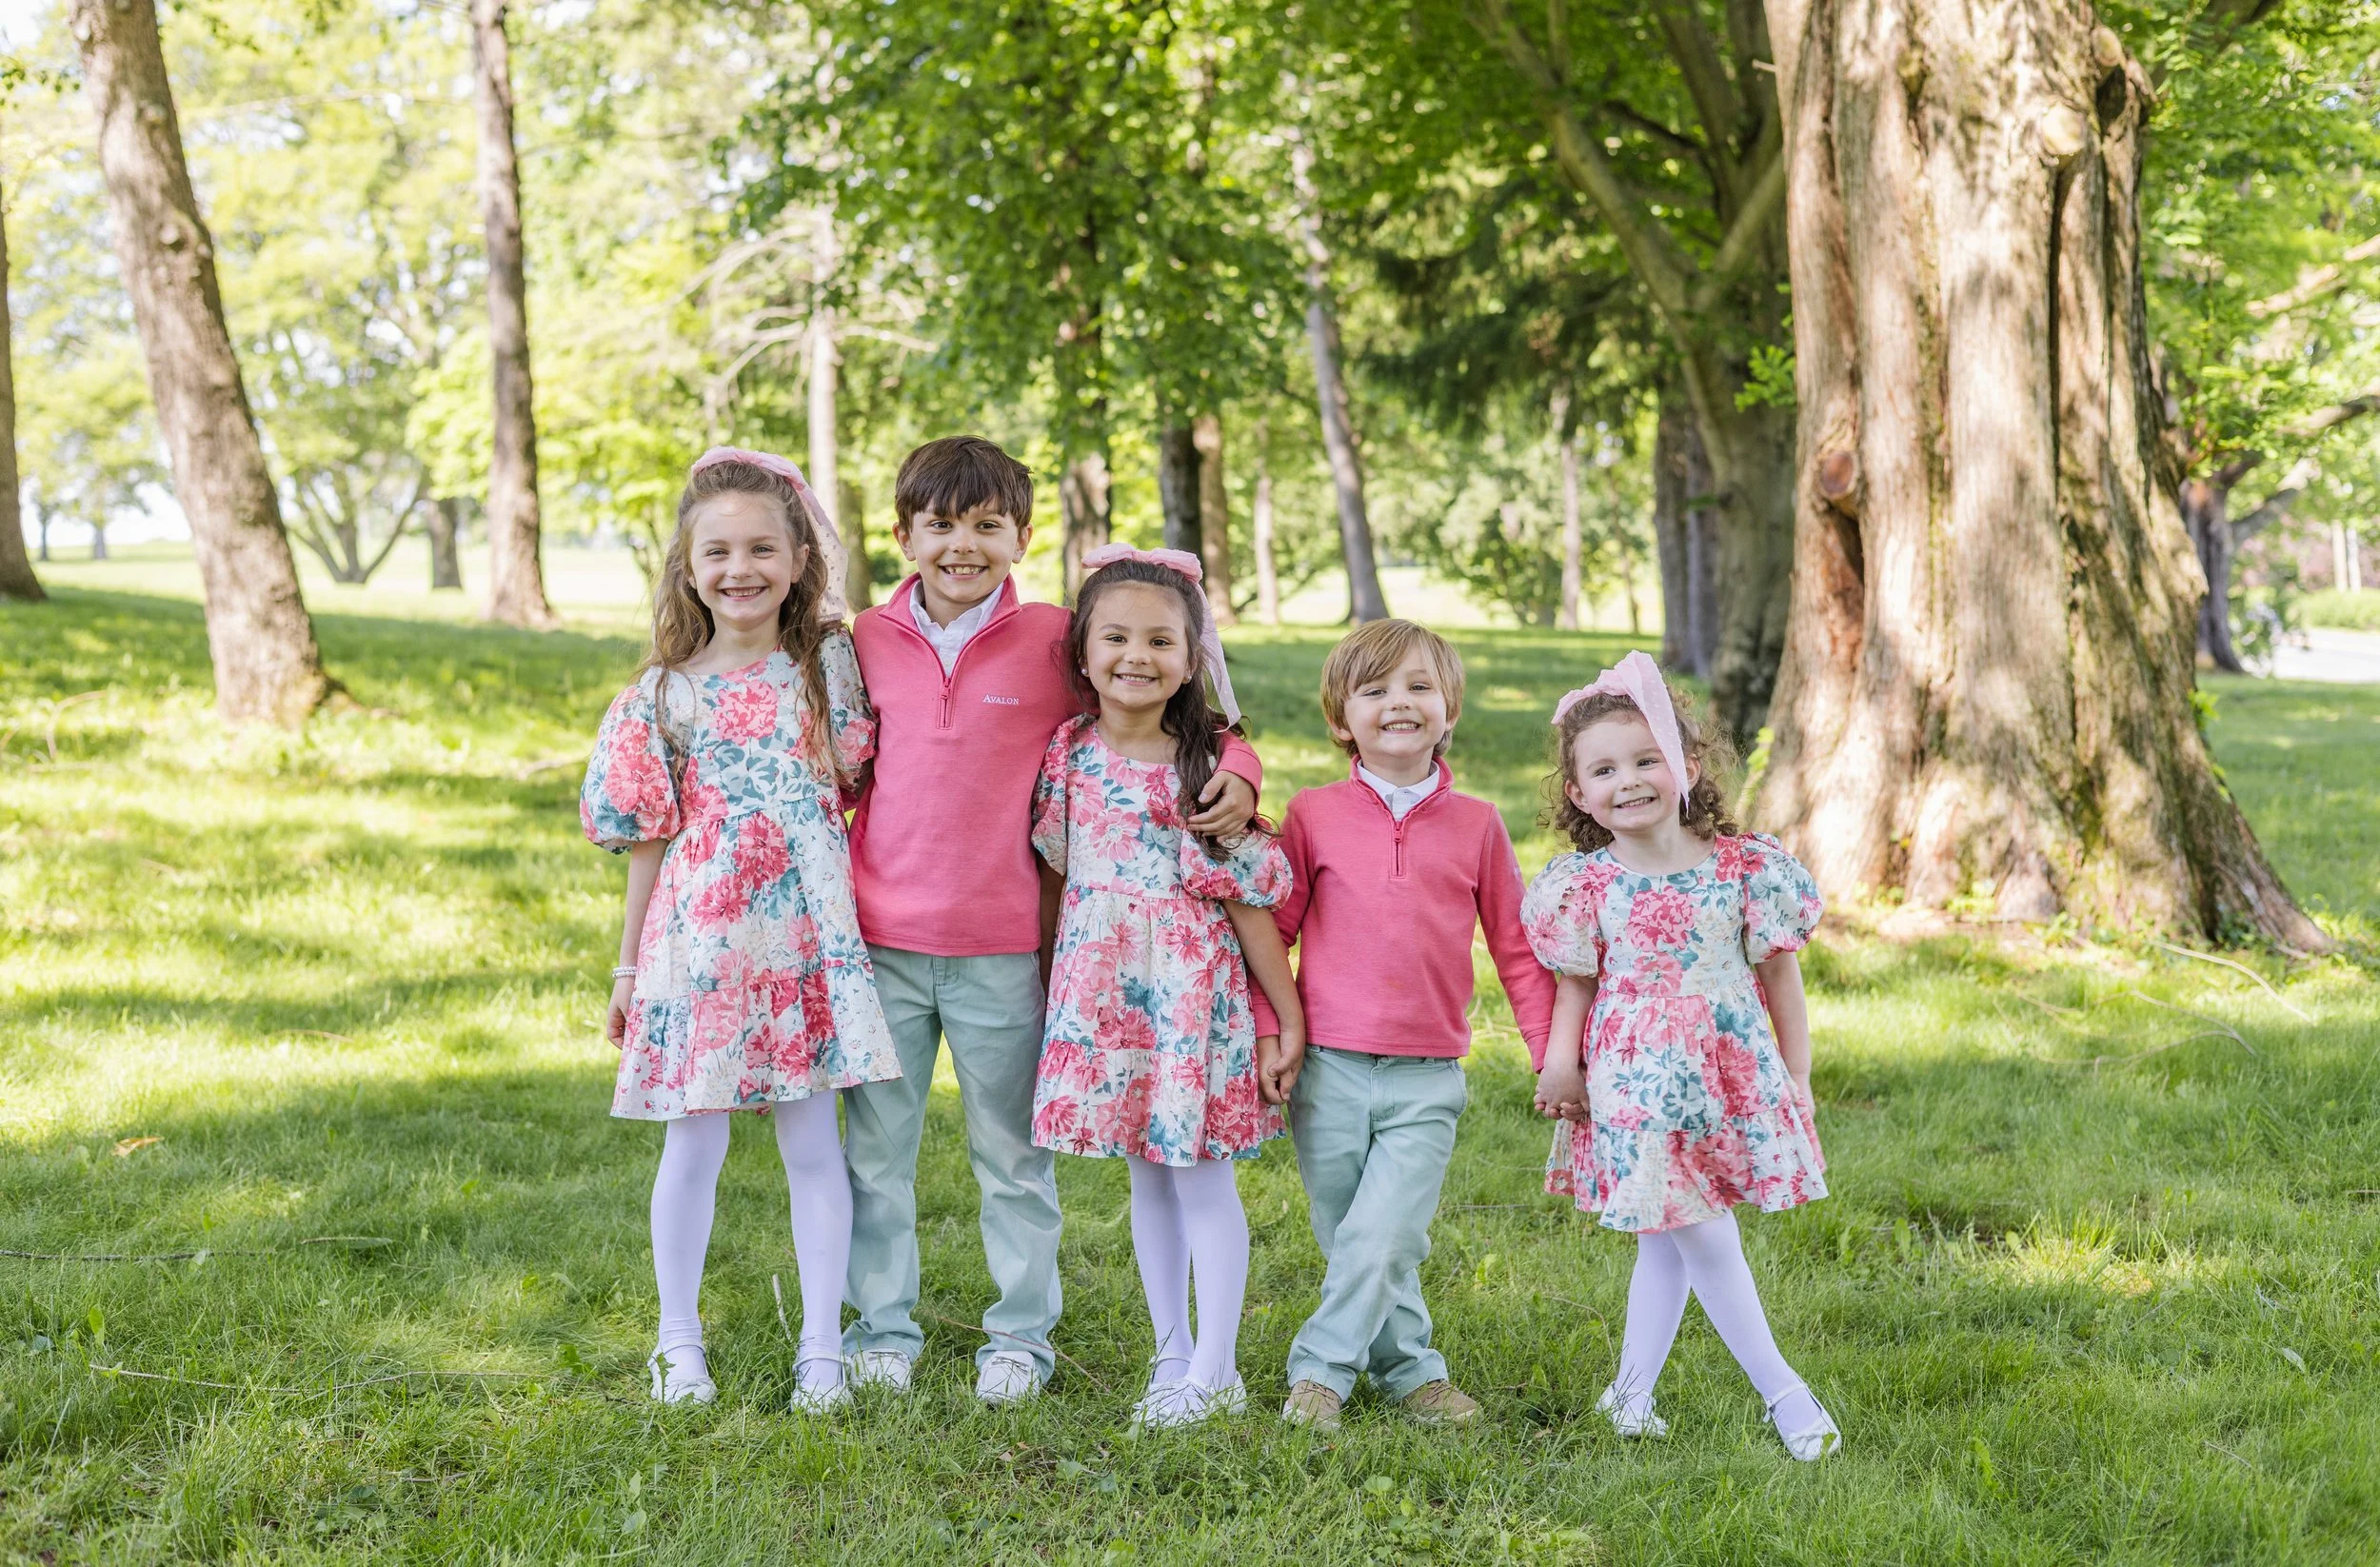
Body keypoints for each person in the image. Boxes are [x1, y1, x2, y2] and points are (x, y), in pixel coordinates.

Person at [842, 438, 1266, 1405]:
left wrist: (1239, 773)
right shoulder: (865, 638)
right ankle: (881, 1330)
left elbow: (1186, 715)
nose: (962, 545)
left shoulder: (1055, 639)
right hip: (884, 941)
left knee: (1012, 1159)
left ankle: (1018, 1339)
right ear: (904, 535)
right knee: (876, 1157)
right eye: (940, 525)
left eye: (986, 525)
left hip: (1006, 947)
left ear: (1022, 538)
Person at [581, 448, 898, 1414]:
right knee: (693, 1145)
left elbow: (860, 780)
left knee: (814, 1144)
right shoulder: (661, 695)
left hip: (805, 937)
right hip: (702, 942)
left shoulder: (825, 667)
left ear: (800, 560)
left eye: (764, 548)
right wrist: (628, 968)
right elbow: (648, 843)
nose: (740, 568)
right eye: (716, 551)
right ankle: (677, 1339)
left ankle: (821, 1344)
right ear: (687, 566)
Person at [1521, 649, 1838, 1458]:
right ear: (1578, 793)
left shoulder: (1744, 868)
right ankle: (1784, 1393)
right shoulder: (1587, 885)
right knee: (1703, 1233)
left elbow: (1780, 976)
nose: (1628, 781)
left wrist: (1797, 1075)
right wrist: (1560, 1064)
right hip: (1633, 1079)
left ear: (1689, 767)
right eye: (1604, 770)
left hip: (1725, 1075)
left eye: (1646, 760)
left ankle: (1630, 1396)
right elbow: (1575, 985)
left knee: (1669, 1234)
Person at [1029, 546, 1306, 1431]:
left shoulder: (1208, 769)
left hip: (1190, 997)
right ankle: (1172, 1354)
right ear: (1082, 653)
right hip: (1103, 994)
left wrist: (1284, 1016)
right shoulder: (1067, 753)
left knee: (1201, 1180)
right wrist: (1053, 985)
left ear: (1192, 661)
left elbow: (1250, 904)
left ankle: (1218, 1369)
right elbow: (1053, 878)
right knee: (1146, 1179)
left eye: (1160, 641)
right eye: (1114, 637)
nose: (1136, 656)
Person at [1260, 620, 1556, 1433]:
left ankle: (1319, 1374)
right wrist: (1268, 1031)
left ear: (1449, 708)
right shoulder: (1312, 815)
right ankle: (1411, 1373)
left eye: (1420, 687)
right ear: (1341, 718)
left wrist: (1549, 1054)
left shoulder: (1478, 824)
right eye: (1376, 689)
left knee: (1388, 1235)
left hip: (1427, 1074)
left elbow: (1517, 949)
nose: (1400, 702)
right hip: (1326, 1068)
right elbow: (1273, 935)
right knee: (1352, 1233)